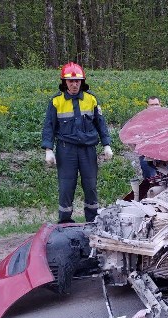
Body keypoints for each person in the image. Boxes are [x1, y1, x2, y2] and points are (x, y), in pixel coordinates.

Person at [41, 62, 113, 224]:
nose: (74, 84)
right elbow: (49, 126)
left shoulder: (91, 99)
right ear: (64, 82)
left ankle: (92, 221)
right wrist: (48, 149)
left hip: (88, 150)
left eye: (77, 81)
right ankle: (65, 222)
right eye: (71, 81)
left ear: (82, 81)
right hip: (66, 150)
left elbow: (100, 123)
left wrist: (106, 144)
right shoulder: (56, 101)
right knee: (66, 186)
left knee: (90, 185)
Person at [140, 96, 161, 178]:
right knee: (150, 180)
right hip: (147, 156)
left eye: (156, 104)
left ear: (160, 105)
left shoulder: (166, 118)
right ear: (147, 106)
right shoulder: (141, 119)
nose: (154, 107)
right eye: (152, 105)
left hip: (163, 155)